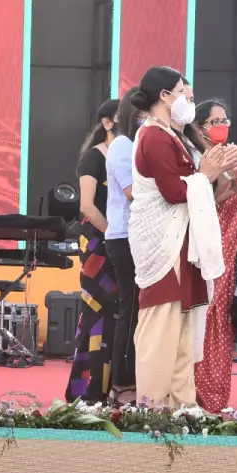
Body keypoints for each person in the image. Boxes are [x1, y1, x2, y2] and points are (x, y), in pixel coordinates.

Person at [128, 66, 237, 407]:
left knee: (184, 334)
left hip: (185, 246)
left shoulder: (174, 136)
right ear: (164, 96)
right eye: (185, 93)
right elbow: (173, 192)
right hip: (165, 248)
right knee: (162, 332)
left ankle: (183, 407)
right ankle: (152, 409)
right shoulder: (153, 136)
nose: (190, 99)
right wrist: (205, 173)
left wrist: (220, 168)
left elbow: (196, 185)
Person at [184, 99, 237, 412]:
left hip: (232, 245)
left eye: (225, 117)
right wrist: (229, 175)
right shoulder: (203, 158)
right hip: (211, 242)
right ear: (201, 127)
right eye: (215, 120)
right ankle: (198, 395)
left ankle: (216, 396)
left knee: (222, 321)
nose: (223, 123)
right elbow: (212, 199)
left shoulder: (229, 153)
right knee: (207, 315)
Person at [65, 99, 121, 401]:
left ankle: (111, 386)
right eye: (123, 119)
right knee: (95, 312)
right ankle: (85, 389)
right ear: (107, 123)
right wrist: (113, 233)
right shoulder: (94, 158)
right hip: (98, 242)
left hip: (120, 242)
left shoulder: (127, 158)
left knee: (116, 315)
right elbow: (87, 205)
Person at [104, 92, 145, 403]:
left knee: (138, 312)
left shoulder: (137, 144)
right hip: (123, 237)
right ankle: (121, 384)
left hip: (141, 236)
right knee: (127, 312)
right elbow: (133, 192)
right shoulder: (122, 146)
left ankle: (134, 379)